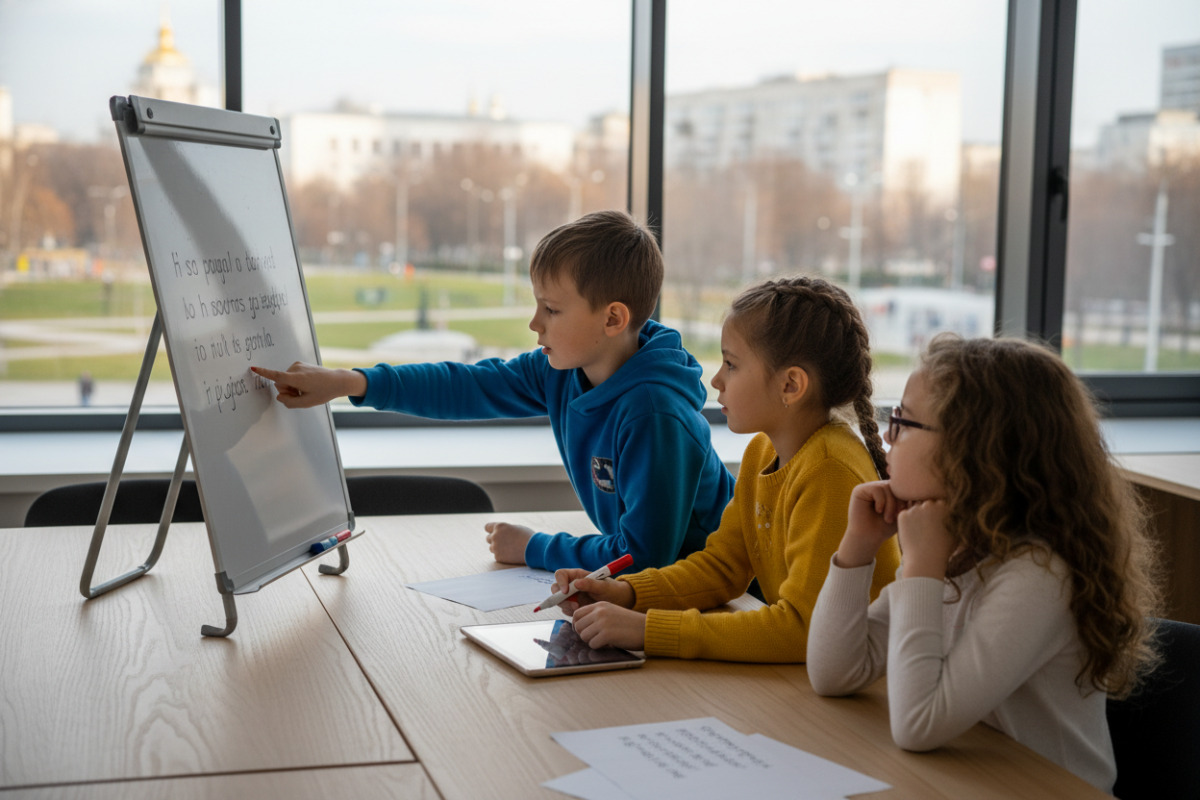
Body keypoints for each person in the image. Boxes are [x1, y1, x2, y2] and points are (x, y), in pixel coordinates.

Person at [252, 210, 734, 573]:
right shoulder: (562, 372)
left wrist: (534, 548)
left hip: (731, 600)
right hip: (662, 589)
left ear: (612, 319)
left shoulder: (654, 415)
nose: (534, 323)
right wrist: (350, 382)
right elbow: (468, 384)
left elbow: (643, 557)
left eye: (551, 309)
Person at [806, 334, 1162, 793]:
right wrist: (857, 547)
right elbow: (834, 672)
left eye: (904, 423)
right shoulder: (957, 541)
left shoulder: (1040, 573)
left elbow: (918, 725)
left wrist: (921, 569)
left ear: (975, 449)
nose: (887, 437)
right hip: (967, 778)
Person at [549, 277, 900, 663]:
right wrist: (626, 593)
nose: (716, 379)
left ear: (791, 385)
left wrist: (647, 630)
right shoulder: (763, 451)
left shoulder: (830, 471)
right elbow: (721, 567)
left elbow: (803, 629)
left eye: (731, 364)